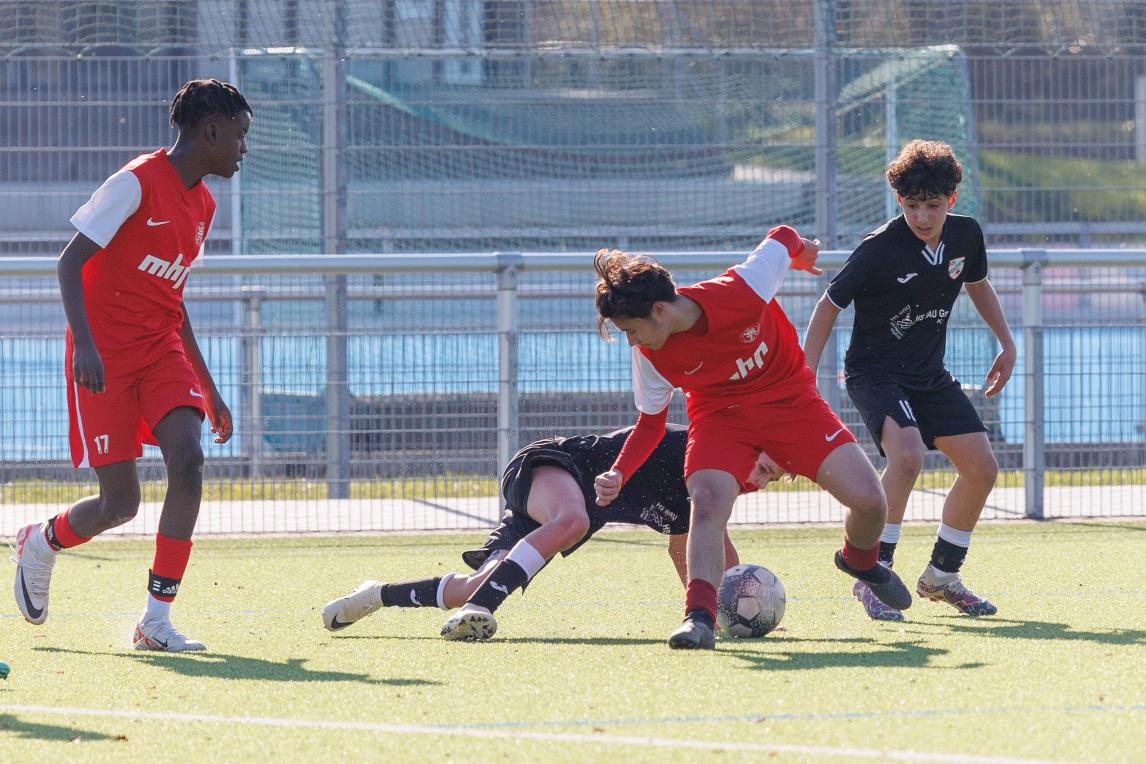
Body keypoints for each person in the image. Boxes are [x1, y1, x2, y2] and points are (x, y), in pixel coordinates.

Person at [12, 79, 251, 652]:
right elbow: (69, 264)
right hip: (105, 358)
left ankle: (155, 622)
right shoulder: (135, 182)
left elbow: (173, 297)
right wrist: (85, 346)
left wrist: (209, 387)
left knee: (189, 461)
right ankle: (41, 542)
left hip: (161, 350)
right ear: (211, 130)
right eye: (240, 135)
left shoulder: (205, 204)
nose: (244, 148)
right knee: (120, 504)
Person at [592, 226, 912, 651]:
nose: (631, 341)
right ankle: (699, 618)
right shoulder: (649, 354)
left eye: (631, 330)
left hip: (792, 404)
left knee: (871, 502)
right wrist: (619, 472)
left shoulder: (742, 288)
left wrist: (802, 252)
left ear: (660, 310)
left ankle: (859, 560)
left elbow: (782, 236)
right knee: (706, 502)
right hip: (719, 418)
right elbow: (650, 424)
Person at [802, 139, 1015, 621]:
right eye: (912, 205)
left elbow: (978, 284)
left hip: (929, 375)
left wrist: (1007, 343)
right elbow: (827, 306)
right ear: (899, 200)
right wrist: (804, 376)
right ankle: (873, 575)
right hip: (874, 373)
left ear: (951, 200)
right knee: (907, 455)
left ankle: (942, 576)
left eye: (933, 206)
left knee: (982, 468)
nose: (922, 216)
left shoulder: (966, 235)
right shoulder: (878, 248)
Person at [321, 424, 741, 641]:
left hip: (569, 510)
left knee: (469, 589)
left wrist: (727, 613)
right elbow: (642, 435)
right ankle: (484, 607)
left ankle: (377, 594)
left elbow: (694, 551)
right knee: (572, 520)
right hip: (551, 467)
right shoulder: (686, 448)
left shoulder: (702, 502)